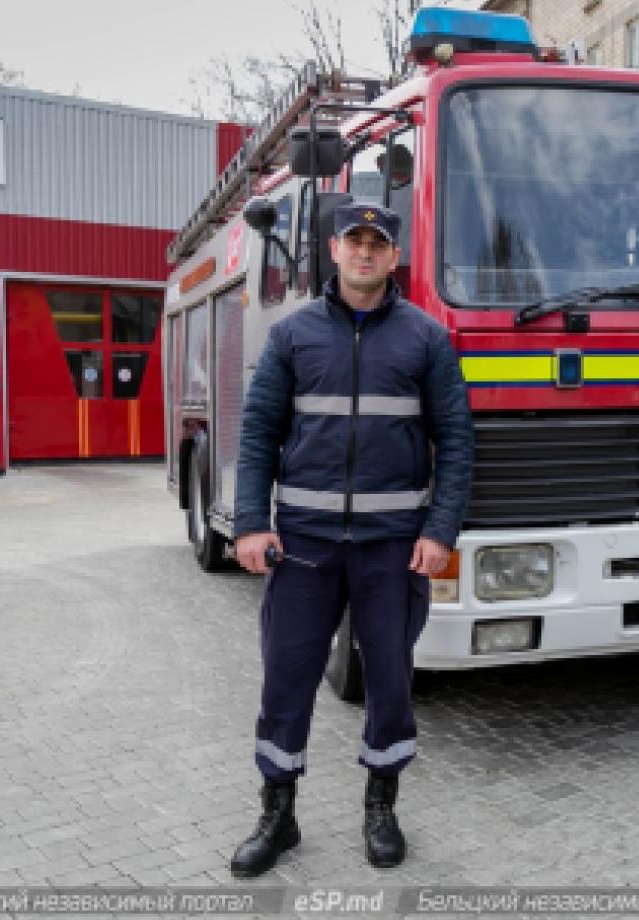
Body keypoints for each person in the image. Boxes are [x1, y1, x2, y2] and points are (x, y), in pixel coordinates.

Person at [228, 202, 474, 875]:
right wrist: (251, 521)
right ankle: (278, 816)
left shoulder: (427, 338)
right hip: (304, 546)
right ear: (334, 250)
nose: (365, 253)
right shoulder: (291, 335)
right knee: (287, 678)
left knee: (389, 681)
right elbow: (258, 434)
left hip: (393, 549)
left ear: (394, 257)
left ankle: (381, 808)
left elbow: (456, 441)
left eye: (379, 243)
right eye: (354, 241)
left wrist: (440, 529)